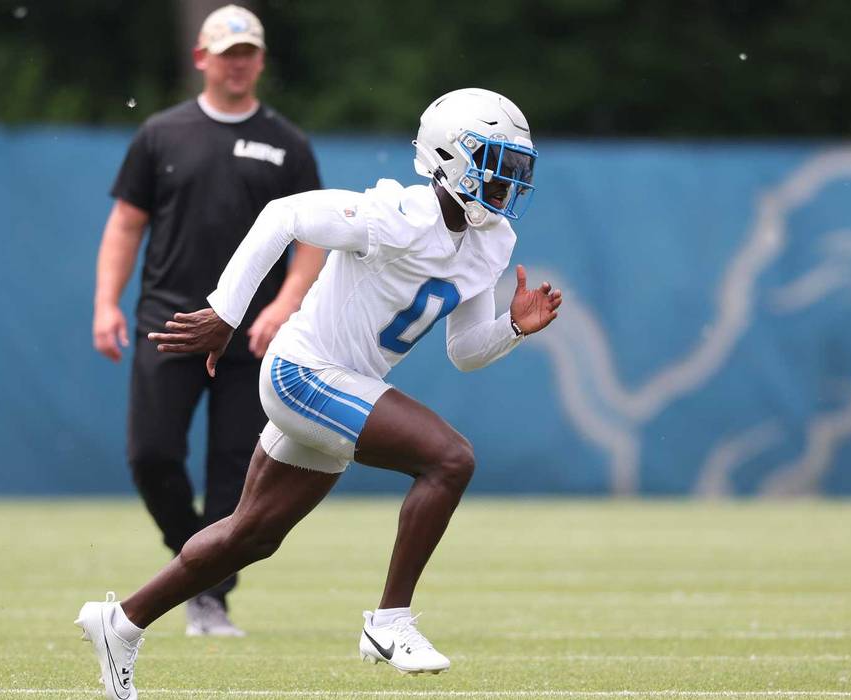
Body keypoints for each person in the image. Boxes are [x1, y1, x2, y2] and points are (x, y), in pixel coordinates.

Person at [75, 87, 561, 697]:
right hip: (302, 373)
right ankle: (390, 622)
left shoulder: (493, 243)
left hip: (344, 388)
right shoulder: (394, 215)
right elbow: (282, 215)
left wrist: (512, 327)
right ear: (447, 156)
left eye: (515, 166)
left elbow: (464, 353)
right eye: (494, 161)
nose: (506, 178)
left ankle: (119, 623)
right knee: (450, 458)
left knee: (252, 534)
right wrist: (226, 312)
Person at [90, 4, 326, 637]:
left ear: (261, 60)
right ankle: (191, 557)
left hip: (254, 334)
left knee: (235, 468)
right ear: (202, 58)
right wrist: (105, 303)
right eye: (227, 52)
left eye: (248, 51)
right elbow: (126, 225)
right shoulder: (161, 135)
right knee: (152, 454)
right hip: (170, 321)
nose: (238, 63)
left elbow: (313, 241)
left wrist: (284, 305)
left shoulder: (288, 144)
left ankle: (209, 596)